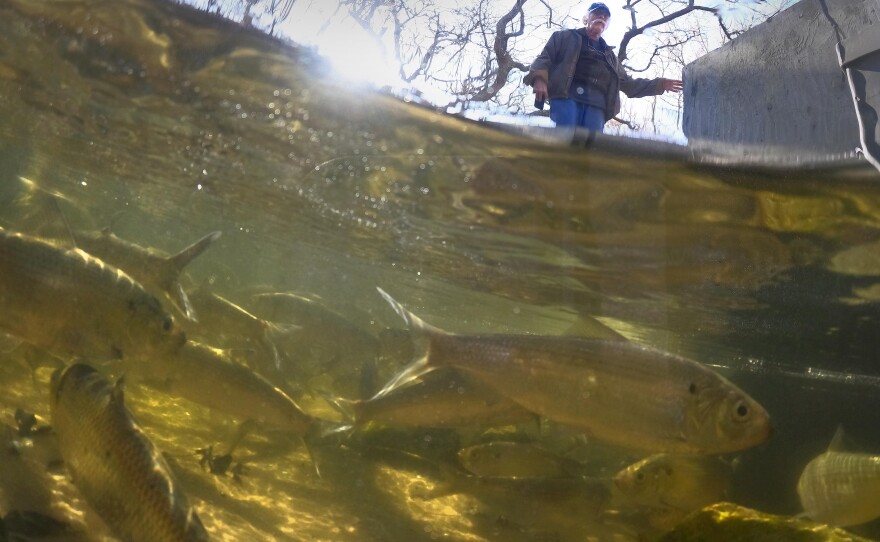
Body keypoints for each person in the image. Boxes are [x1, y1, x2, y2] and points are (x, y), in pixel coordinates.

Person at [524, 2, 683, 132]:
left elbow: (630, 84)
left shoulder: (611, 58)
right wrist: (539, 79)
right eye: (597, 13)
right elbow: (544, 59)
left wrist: (660, 84)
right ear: (586, 18)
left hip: (597, 106)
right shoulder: (563, 37)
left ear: (607, 25)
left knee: (591, 149)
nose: (602, 16)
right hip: (566, 97)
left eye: (605, 16)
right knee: (565, 136)